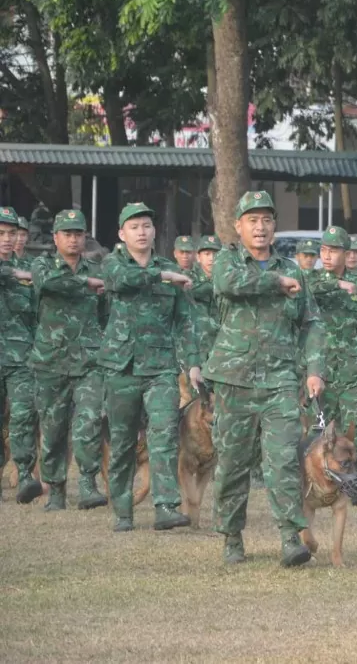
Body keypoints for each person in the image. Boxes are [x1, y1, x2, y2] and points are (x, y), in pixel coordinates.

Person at [206, 190, 327, 566]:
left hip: (279, 381)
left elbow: (312, 323)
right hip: (233, 380)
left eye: (267, 220)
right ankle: (231, 537)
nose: (260, 227)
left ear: (274, 226)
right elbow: (229, 284)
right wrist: (274, 282)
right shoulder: (227, 262)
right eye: (252, 220)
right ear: (238, 225)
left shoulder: (294, 270)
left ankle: (291, 536)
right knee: (232, 462)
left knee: (283, 461)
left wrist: (314, 369)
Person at [99, 202, 200, 532]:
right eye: (134, 227)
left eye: (146, 226)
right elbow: (122, 281)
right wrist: (162, 275)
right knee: (123, 441)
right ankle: (123, 511)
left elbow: (185, 322)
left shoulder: (170, 270)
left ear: (154, 231)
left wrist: (194, 364)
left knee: (164, 436)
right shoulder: (113, 263)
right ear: (121, 234)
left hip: (161, 368)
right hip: (122, 366)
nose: (141, 232)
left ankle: (166, 507)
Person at [27, 208, 108, 512]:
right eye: (68, 234)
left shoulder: (96, 268)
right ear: (55, 237)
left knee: (88, 423)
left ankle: (88, 483)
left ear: (85, 236)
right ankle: (56, 488)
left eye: (78, 233)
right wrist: (85, 284)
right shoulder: (42, 265)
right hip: (50, 361)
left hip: (89, 361)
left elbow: (105, 311)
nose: (74, 239)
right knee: (53, 428)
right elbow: (48, 285)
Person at [310, 226, 357, 505]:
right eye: (324, 250)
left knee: (355, 425)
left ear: (346, 253)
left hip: (353, 367)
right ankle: (317, 480)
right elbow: (306, 287)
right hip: (322, 368)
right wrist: (335, 284)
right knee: (321, 429)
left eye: (334, 250)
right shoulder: (312, 280)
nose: (328, 256)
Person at [0, 207, 41, 503]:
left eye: (11, 233)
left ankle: (25, 474)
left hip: (20, 357)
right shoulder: (20, 272)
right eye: (0, 233)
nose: (6, 239)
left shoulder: (30, 270)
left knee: (24, 415)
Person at [190, 236, 222, 363]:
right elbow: (190, 290)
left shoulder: (228, 277)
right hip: (196, 345)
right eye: (207, 254)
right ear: (198, 257)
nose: (211, 258)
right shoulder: (189, 276)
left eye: (215, 254)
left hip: (222, 344)